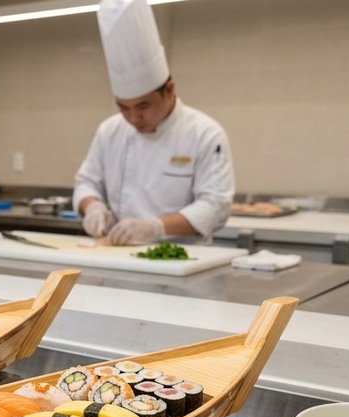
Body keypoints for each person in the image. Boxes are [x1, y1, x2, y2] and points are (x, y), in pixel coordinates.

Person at [73, 0, 234, 246]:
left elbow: (215, 207)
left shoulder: (205, 133)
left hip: (181, 256)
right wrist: (92, 206)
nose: (133, 118)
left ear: (169, 91)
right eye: (123, 108)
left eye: (143, 106)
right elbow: (86, 182)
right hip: (117, 252)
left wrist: (155, 227)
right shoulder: (110, 130)